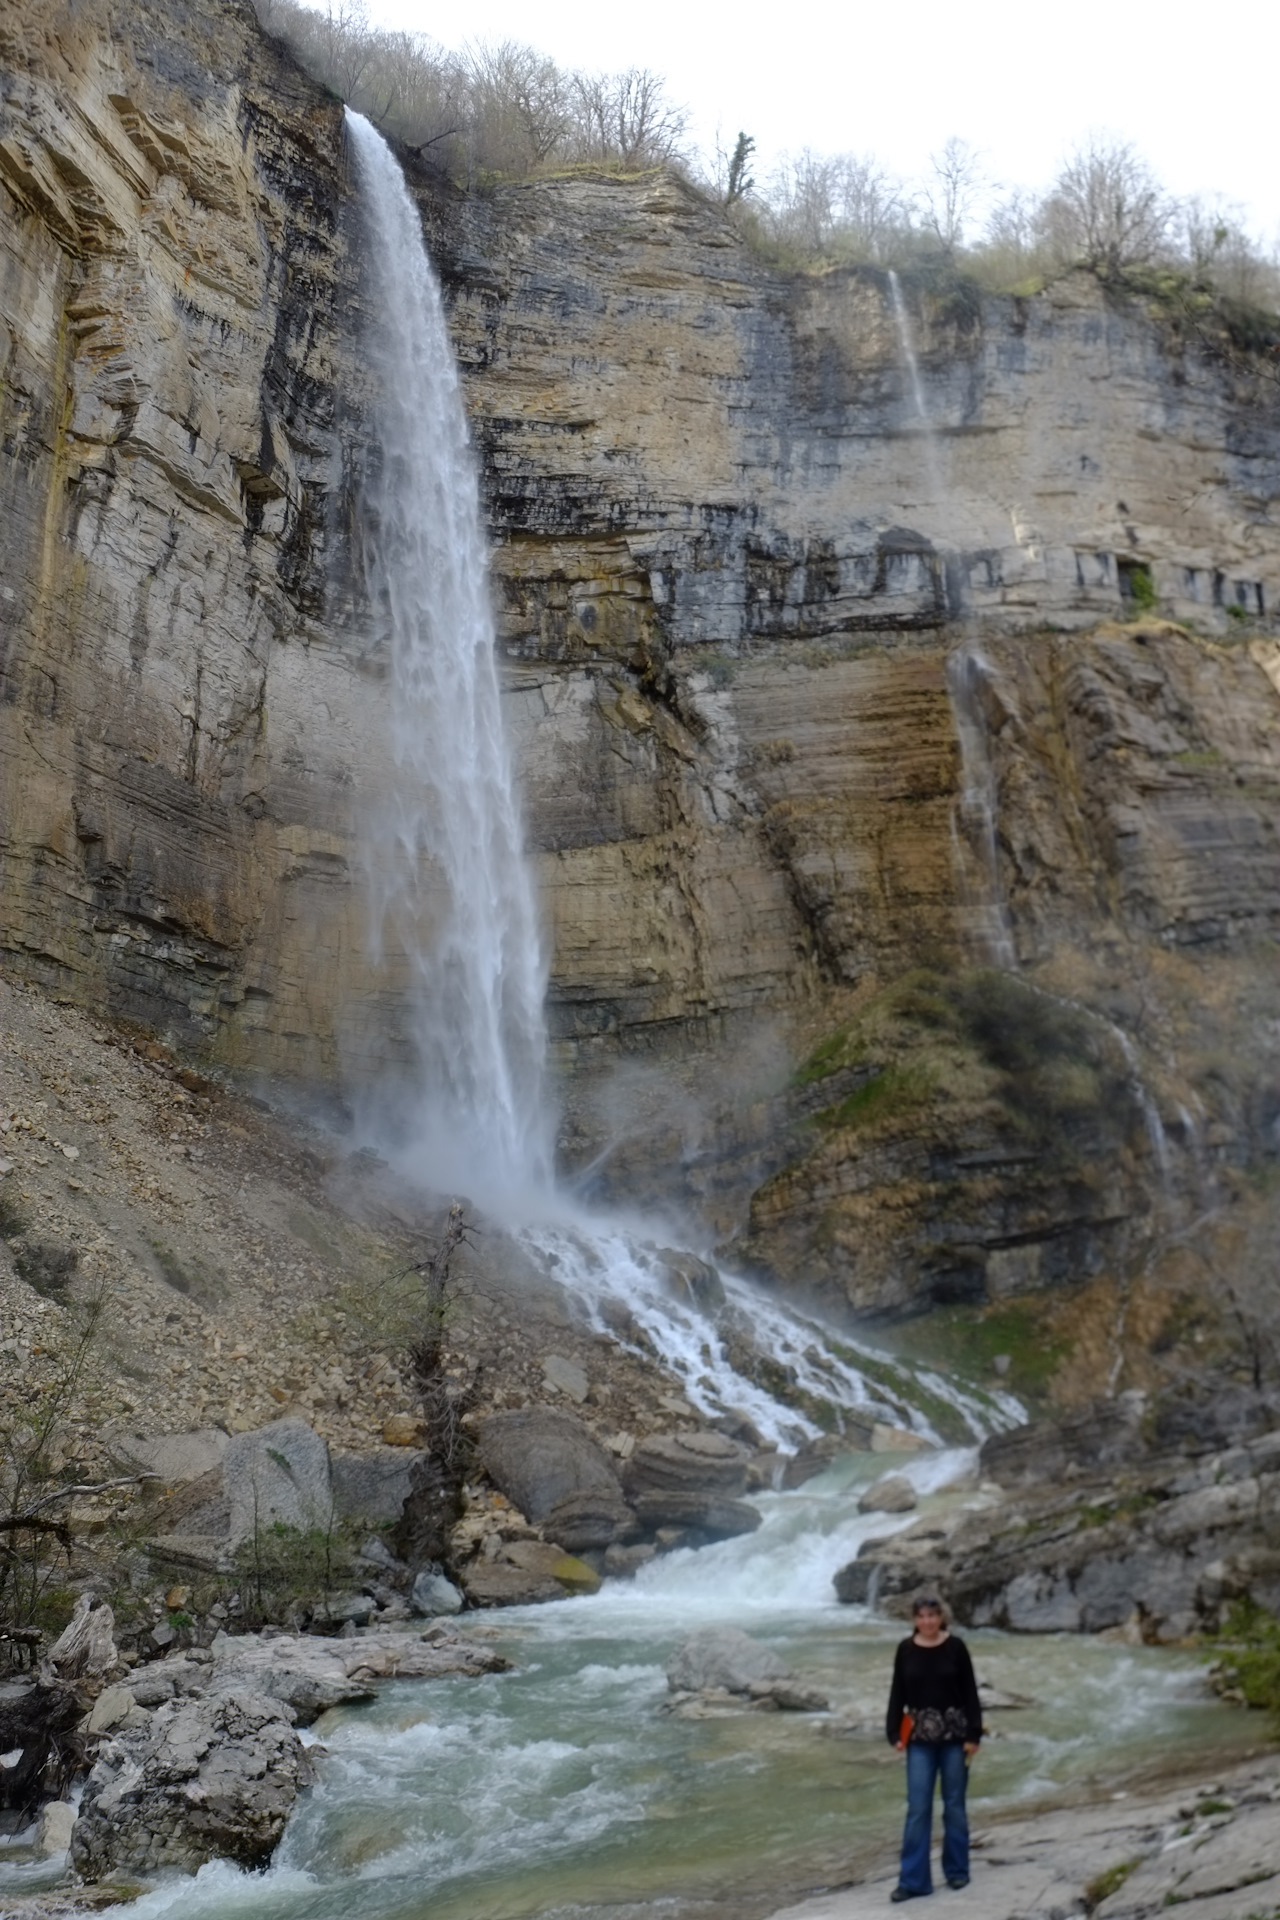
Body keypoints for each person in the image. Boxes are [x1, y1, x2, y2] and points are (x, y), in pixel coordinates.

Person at [884, 1592, 982, 1901]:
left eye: (932, 1616)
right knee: (918, 1808)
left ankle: (957, 1871)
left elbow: (970, 1693)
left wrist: (973, 1735)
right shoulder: (905, 1650)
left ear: (941, 1617)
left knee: (954, 1806)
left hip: (955, 1738)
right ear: (914, 1619)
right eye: (921, 1616)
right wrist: (892, 1732)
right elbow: (897, 1692)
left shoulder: (956, 1648)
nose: (927, 1622)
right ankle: (913, 1880)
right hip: (920, 1741)